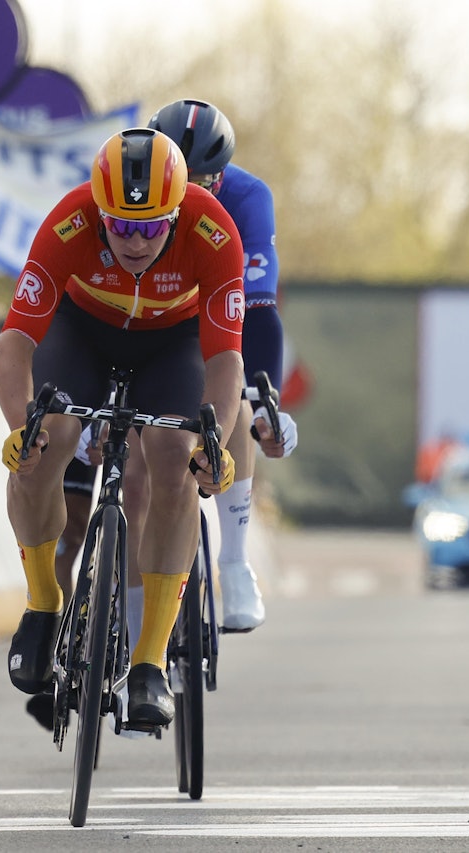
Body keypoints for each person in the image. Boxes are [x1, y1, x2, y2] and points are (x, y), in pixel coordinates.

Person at [0, 127, 245, 728]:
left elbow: (225, 360)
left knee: (173, 460)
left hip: (172, 342)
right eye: (121, 226)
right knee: (46, 441)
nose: (135, 241)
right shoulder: (70, 221)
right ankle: (43, 602)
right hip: (82, 330)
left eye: (152, 228)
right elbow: (14, 342)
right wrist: (20, 427)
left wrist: (214, 442)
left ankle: (149, 661)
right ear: (99, 212)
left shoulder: (213, 231)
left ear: (177, 213)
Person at [144, 98, 298, 632]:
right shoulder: (134, 187)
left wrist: (268, 401)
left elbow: (259, 310)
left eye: (203, 184)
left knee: (233, 398)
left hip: (212, 316)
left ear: (222, 176)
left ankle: (233, 561)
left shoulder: (248, 198)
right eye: (180, 181)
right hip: (148, 317)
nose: (190, 196)